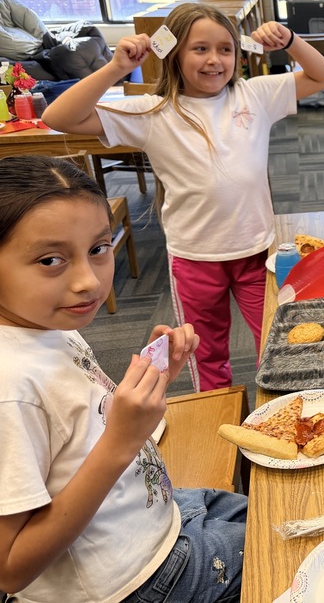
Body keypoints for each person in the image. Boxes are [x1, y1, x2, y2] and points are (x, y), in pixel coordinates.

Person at [43, 3, 324, 391]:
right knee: (206, 354)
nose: (214, 60)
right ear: (174, 54)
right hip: (196, 256)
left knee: (277, 341)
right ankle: (222, 423)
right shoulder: (153, 110)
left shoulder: (254, 95)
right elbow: (58, 117)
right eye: (200, 49)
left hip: (257, 251)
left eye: (225, 49)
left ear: (238, 55)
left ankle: (283, 416)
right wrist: (116, 67)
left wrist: (291, 41)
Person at [0, 155, 246, 603]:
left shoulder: (42, 323)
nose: (88, 282)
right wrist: (121, 443)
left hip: (153, 514)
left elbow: (75, 421)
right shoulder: (11, 390)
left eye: (98, 248)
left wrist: (152, 378)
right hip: (137, 580)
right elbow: (11, 568)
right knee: (296, 546)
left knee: (277, 502)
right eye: (51, 259)